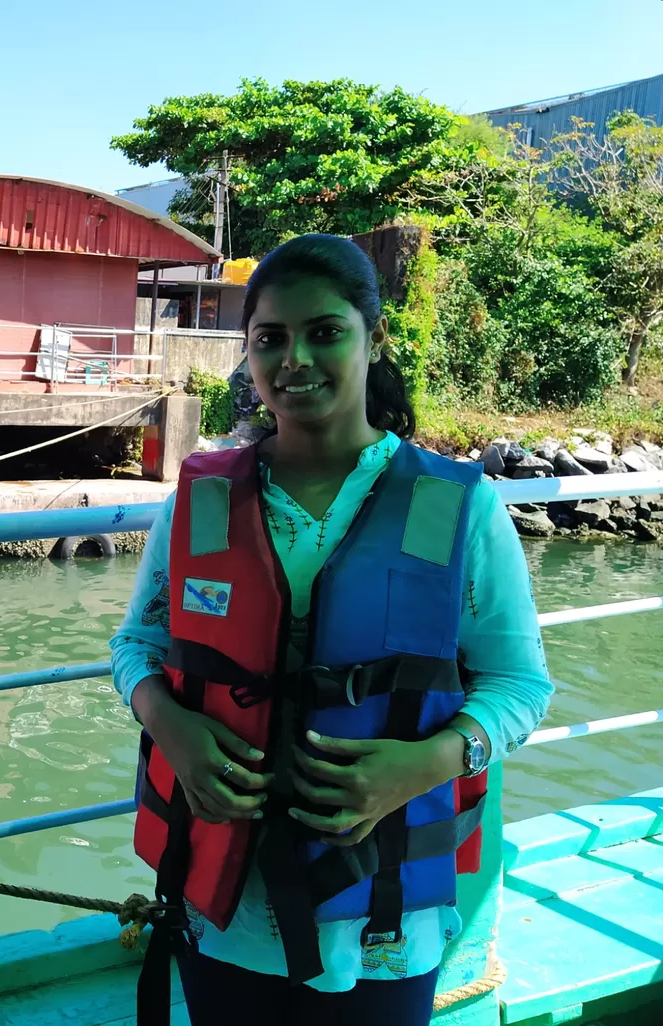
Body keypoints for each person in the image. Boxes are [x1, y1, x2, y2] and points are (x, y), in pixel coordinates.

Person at [109, 234, 553, 1026]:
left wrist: (430, 762)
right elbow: (137, 645)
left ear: (374, 337)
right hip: (227, 910)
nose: (294, 360)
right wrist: (168, 720)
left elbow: (519, 684)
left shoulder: (456, 507)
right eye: (270, 339)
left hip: (384, 916)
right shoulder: (201, 499)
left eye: (325, 331)